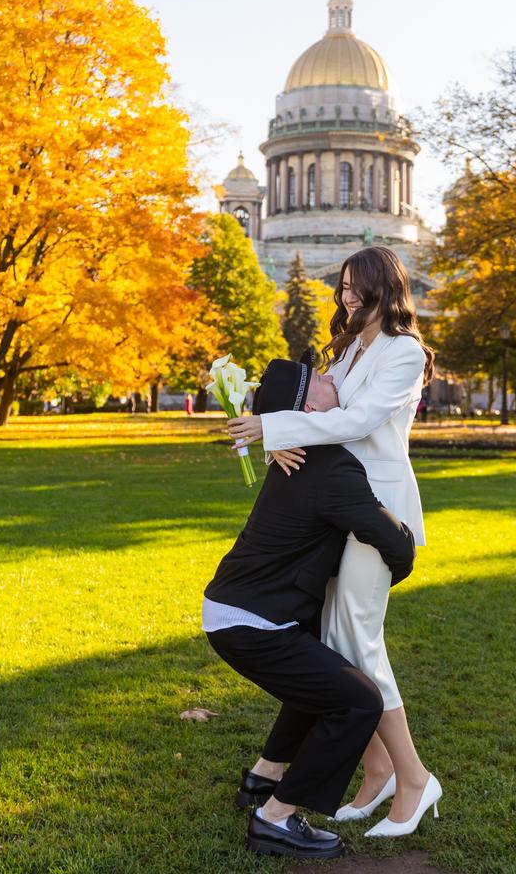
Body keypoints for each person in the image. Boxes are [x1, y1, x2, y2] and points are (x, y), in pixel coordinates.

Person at [224, 245, 441, 837]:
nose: (345, 297)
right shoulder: (350, 347)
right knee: (341, 643)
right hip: (335, 508)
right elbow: (315, 408)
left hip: (377, 509)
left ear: (384, 289)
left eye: (356, 287)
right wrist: (274, 435)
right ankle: (377, 770)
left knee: (360, 643)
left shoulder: (403, 352)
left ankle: (415, 778)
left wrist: (272, 426)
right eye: (341, 287)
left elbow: (357, 421)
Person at [205, 358, 416, 860]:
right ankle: (274, 819)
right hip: (255, 624)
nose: (332, 379)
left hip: (237, 612)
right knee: (357, 702)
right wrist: (403, 539)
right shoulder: (330, 466)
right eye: (321, 380)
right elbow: (393, 544)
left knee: (321, 683)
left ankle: (263, 778)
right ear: (309, 406)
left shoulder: (297, 456)